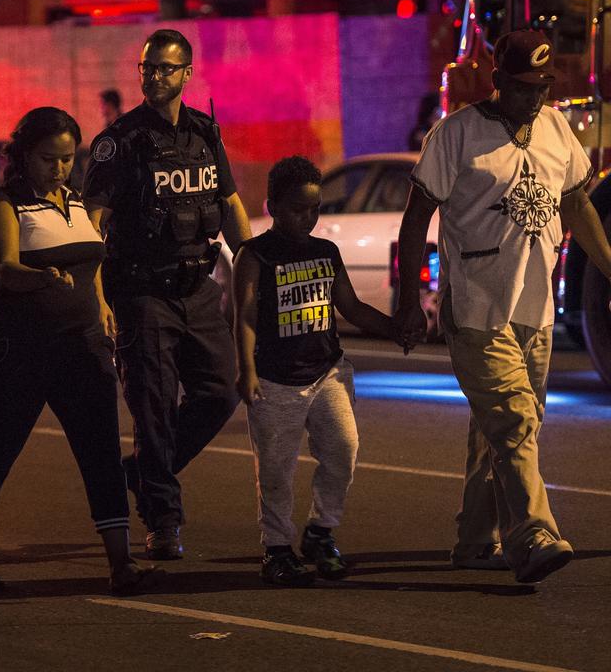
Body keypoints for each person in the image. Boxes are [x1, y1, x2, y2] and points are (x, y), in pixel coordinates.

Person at [395, 29, 611, 583]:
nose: (533, 99)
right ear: (497, 82)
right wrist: (408, 301)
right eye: (521, 88)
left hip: (534, 313)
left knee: (505, 428)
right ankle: (533, 533)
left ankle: (473, 540)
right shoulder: (457, 134)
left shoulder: (556, 127)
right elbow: (418, 215)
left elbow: (576, 201)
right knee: (514, 420)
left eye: (541, 87)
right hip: (476, 310)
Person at [0, 107, 161, 596]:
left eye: (68, 159)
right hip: (19, 348)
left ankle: (121, 565)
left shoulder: (75, 202)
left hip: (83, 349)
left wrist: (103, 306)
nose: (60, 168)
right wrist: (40, 276)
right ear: (24, 155)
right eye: (50, 159)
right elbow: (3, 268)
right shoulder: (5, 205)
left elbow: (94, 265)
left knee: (102, 454)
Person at [83, 29, 252, 560]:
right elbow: (93, 223)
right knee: (153, 408)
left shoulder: (204, 132)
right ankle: (162, 518)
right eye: (146, 68)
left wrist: (257, 265)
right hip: (141, 291)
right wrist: (100, 300)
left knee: (220, 392)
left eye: (165, 69)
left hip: (199, 289)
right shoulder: (120, 141)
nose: (153, 77)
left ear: (187, 74)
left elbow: (230, 206)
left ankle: (142, 473)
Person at [234, 156, 400, 586]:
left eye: (315, 208)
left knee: (344, 449)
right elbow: (245, 316)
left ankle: (321, 532)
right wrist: (247, 370)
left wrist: (395, 328)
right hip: (274, 378)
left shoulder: (326, 252)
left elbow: (351, 307)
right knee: (275, 469)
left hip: (327, 372)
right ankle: (276, 550)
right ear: (272, 206)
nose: (308, 217)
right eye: (298, 209)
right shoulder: (255, 255)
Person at [69, 89, 124, 193]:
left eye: (103, 105)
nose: (101, 109)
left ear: (110, 105)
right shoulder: (111, 123)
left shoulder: (121, 123)